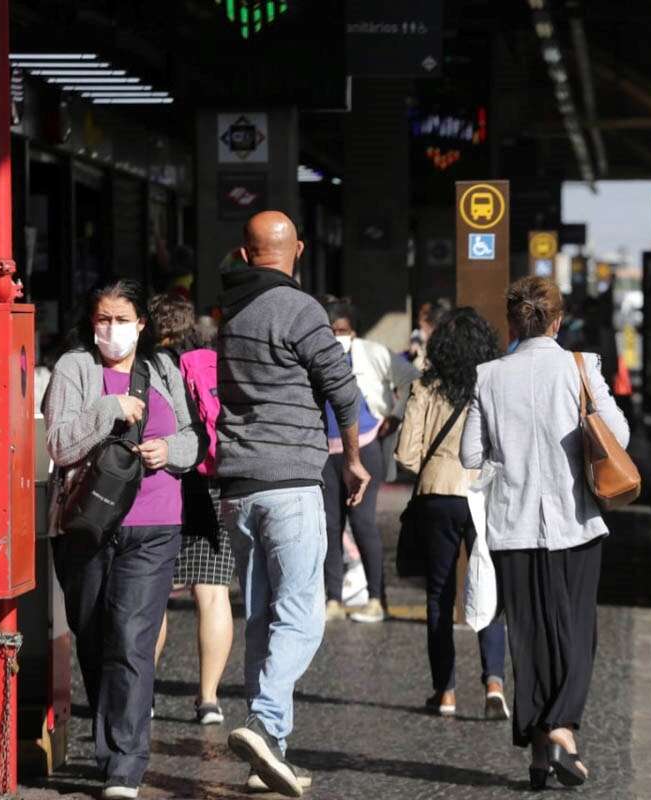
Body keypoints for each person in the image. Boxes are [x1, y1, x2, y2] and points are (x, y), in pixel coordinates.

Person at [217, 211, 369, 798]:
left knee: (260, 618)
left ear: (245, 253)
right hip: (291, 485)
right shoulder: (302, 309)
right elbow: (342, 388)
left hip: (238, 490)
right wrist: (352, 460)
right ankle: (266, 723)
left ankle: (268, 754)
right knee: (302, 614)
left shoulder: (229, 315)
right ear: (298, 250)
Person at [460, 277, 629, 790]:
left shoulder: (487, 376)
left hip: (512, 528)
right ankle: (562, 733)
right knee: (576, 634)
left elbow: (471, 455)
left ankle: (539, 753)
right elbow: (617, 436)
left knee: (530, 641)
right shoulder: (581, 367)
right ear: (557, 321)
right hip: (574, 522)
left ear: (512, 323)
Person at [44, 278, 204, 800]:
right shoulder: (75, 368)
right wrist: (107, 412)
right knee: (93, 637)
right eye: (101, 319)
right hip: (86, 526)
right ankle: (110, 746)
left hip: (154, 524)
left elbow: (192, 435)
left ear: (141, 324)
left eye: (121, 319)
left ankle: (125, 766)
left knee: (132, 638)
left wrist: (171, 452)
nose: (110, 330)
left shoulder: (162, 369)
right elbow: (60, 444)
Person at [395, 308, 508, 720]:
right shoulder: (493, 387)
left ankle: (445, 692)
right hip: (481, 496)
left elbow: (407, 456)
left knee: (440, 595)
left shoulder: (427, 388)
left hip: (438, 495)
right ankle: (494, 682)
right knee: (488, 585)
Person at [148, 292, 234, 726]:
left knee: (153, 591)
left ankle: (143, 694)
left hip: (165, 480)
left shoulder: (149, 368)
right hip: (214, 481)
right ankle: (209, 700)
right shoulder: (214, 360)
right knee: (212, 591)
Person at [321, 298, 420, 623]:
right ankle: (332, 599)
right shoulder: (316, 353)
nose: (338, 336)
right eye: (332, 330)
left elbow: (411, 378)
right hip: (325, 452)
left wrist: (395, 415)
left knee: (362, 523)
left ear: (354, 330)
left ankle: (377, 598)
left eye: (343, 330)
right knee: (329, 526)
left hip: (365, 448)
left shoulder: (373, 352)